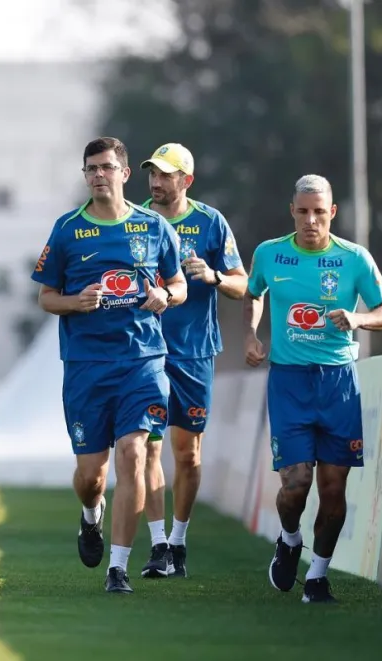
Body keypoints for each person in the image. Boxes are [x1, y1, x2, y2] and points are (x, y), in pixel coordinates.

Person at [30, 136, 187, 594]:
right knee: (92, 476)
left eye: (105, 167)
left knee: (134, 453)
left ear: (124, 173)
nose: (98, 175)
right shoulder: (66, 230)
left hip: (143, 361)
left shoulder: (154, 228)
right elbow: (45, 297)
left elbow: (178, 285)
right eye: (91, 168)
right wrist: (76, 302)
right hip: (86, 365)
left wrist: (165, 294)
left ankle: (118, 568)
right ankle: (90, 514)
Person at [244, 174, 382, 603]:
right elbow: (253, 293)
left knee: (333, 492)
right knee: (295, 485)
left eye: (319, 212)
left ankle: (317, 575)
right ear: (292, 211)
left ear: (332, 213)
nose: (311, 220)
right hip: (289, 381)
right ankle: (290, 539)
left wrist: (360, 318)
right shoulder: (271, 254)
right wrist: (252, 334)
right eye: (303, 211)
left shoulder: (355, 259)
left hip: (339, 385)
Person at [137, 144, 248, 579]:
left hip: (195, 351)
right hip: (144, 351)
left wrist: (214, 276)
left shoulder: (210, 222)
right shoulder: (136, 220)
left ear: (187, 180)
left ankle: (179, 543)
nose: (156, 182)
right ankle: (158, 544)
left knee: (187, 454)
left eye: (166, 175)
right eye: (152, 174)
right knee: (147, 449)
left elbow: (243, 285)